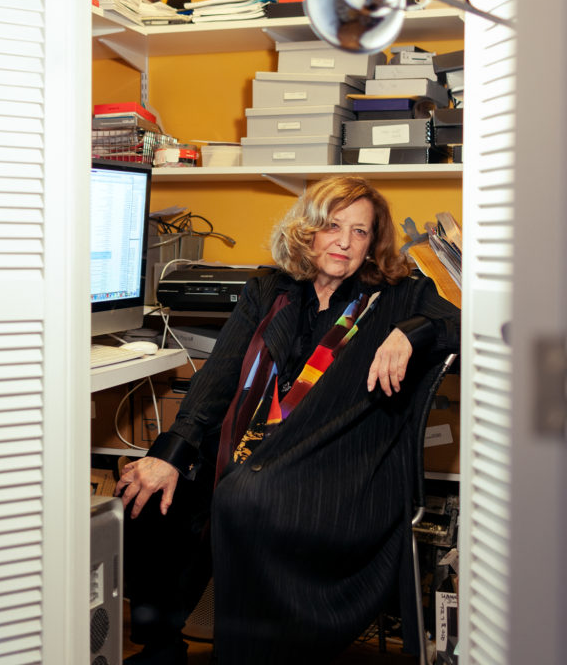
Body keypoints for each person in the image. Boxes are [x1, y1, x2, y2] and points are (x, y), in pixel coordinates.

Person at [116, 176, 461, 665]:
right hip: (250, 447)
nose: (345, 242)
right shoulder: (268, 289)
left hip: (337, 466)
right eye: (333, 226)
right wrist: (172, 452)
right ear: (308, 230)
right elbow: (219, 375)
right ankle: (162, 645)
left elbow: (467, 323)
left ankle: (251, 651)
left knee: (243, 497)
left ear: (372, 243)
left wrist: (413, 331)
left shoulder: (399, 296)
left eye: (360, 232)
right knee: (147, 490)